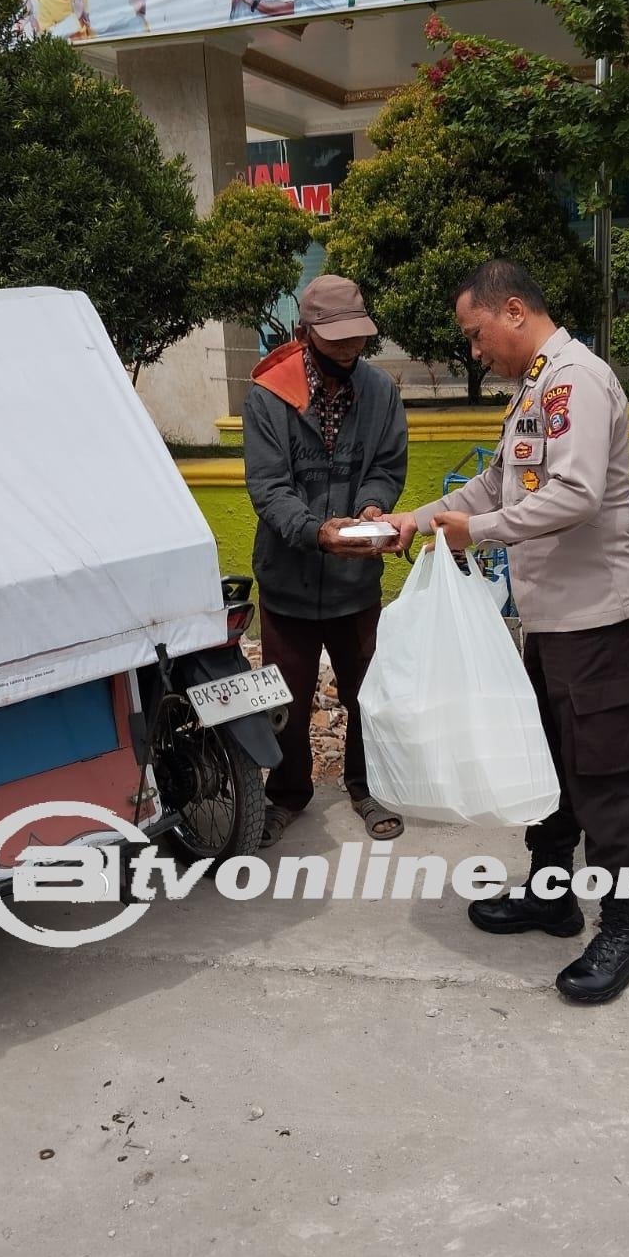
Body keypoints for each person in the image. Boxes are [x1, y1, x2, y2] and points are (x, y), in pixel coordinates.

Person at [383, 260, 629, 1005]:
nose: (475, 351)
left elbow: (575, 495)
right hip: (551, 622)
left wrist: (477, 531)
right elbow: (496, 487)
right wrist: (415, 520)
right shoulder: (535, 390)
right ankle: (552, 894)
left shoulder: (576, 381)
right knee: (551, 771)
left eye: (476, 335)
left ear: (512, 311)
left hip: (597, 619)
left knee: (603, 785)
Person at [243, 275, 408, 848]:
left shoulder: (380, 392)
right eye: (334, 339)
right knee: (286, 695)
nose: (347, 349)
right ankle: (288, 794)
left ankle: (367, 786)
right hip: (288, 580)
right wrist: (316, 532)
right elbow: (268, 488)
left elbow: (387, 466)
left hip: (355, 580)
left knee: (366, 689)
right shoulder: (269, 395)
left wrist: (373, 505)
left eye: (356, 338)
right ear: (303, 332)